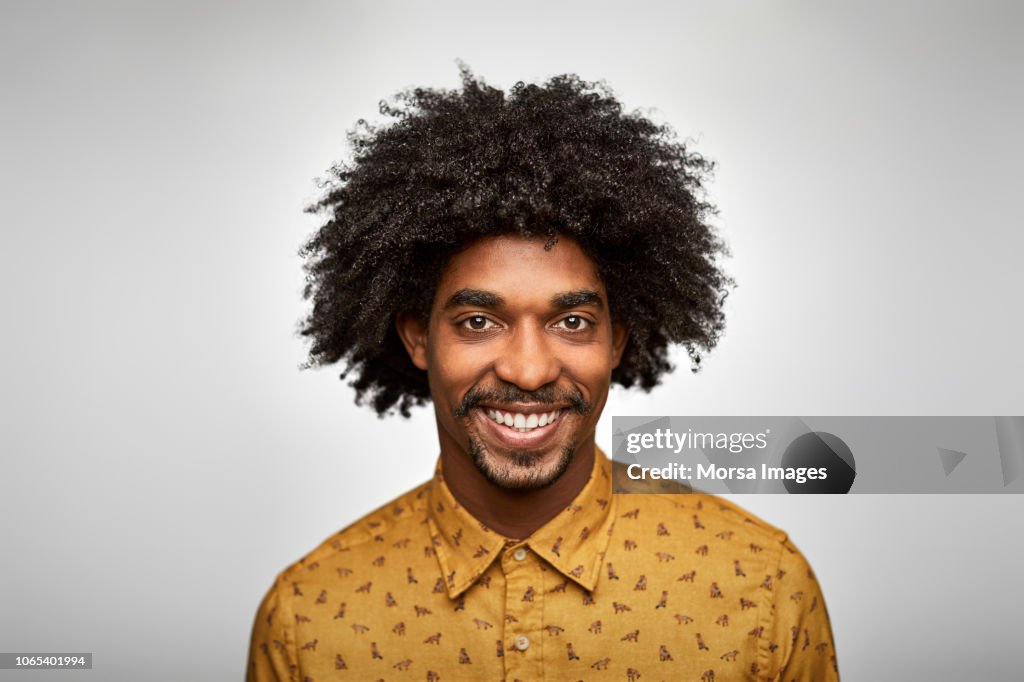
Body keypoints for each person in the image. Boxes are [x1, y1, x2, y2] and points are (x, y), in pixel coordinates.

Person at [246, 68, 839, 681]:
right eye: (478, 321)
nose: (528, 371)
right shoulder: (310, 617)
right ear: (418, 336)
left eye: (573, 322)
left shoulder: (761, 586)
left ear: (618, 340)